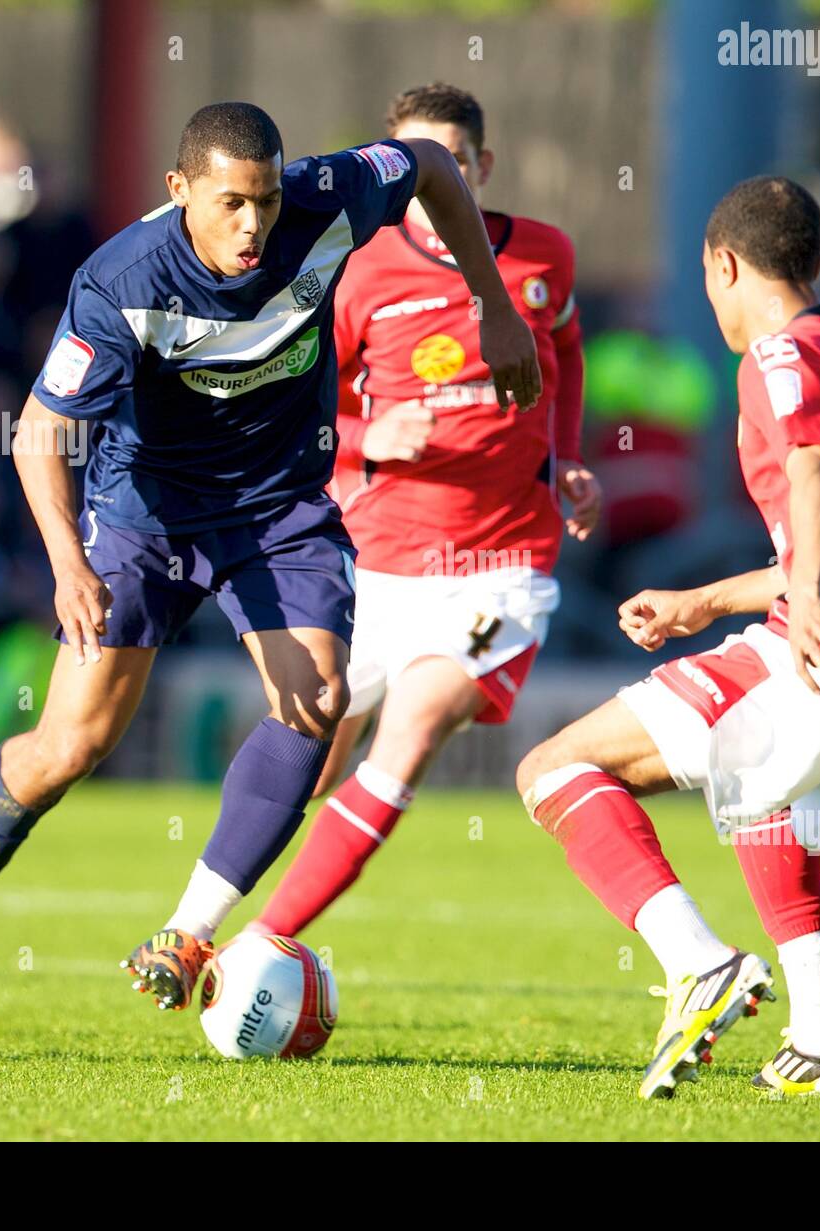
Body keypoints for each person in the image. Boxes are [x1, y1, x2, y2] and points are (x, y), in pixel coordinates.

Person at [0, 100, 541, 1029]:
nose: (253, 226)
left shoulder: (326, 198)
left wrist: (493, 303)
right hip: (145, 513)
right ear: (179, 189)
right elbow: (40, 433)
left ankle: (188, 933)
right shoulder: (119, 280)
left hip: (278, 508)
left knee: (316, 701)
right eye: (231, 203)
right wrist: (69, 563)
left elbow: (433, 163)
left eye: (266, 202)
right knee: (72, 745)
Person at [516, 176, 820, 1099]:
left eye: (708, 281)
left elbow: (818, 472)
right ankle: (819, 1040)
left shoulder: (778, 356)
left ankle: (697, 964)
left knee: (554, 769)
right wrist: (707, 601)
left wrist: (797, 597)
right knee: (768, 799)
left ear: (724, 266)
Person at [247, 83, 598, 942]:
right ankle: (203, 920)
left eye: (451, 160)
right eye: (413, 164)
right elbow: (290, 408)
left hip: (500, 566)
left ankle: (262, 941)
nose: (433, 180)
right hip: (376, 563)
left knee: (409, 728)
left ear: (481, 165)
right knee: (309, 752)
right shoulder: (357, 268)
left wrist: (569, 456)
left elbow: (565, 355)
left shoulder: (545, 256)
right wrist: (370, 436)